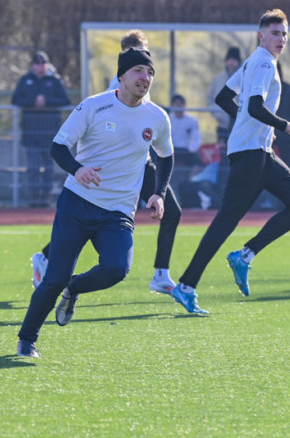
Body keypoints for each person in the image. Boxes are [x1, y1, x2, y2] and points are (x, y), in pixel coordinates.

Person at [16, 48, 173, 359]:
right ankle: (27, 339)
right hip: (77, 203)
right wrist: (78, 169)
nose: (145, 77)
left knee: (116, 269)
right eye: (139, 71)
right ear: (122, 76)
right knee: (53, 278)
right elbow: (58, 147)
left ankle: (74, 289)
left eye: (150, 72)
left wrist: (159, 193)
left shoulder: (157, 117)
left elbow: (165, 156)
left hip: (117, 212)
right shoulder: (94, 106)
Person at [171, 9, 290, 315]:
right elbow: (255, 106)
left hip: (260, 151)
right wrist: (287, 127)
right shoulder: (262, 61)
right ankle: (186, 286)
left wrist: (252, 125)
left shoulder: (254, 61)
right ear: (261, 35)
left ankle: (244, 255)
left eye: (285, 33)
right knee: (224, 223)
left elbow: (224, 98)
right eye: (275, 33)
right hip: (249, 154)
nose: (281, 39)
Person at [31, 30, 183, 296]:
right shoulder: (122, 81)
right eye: (136, 56)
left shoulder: (141, 77)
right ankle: (50, 260)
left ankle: (160, 273)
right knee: (94, 220)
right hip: (122, 163)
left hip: (138, 159)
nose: (144, 71)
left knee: (168, 210)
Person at [12, 50, 71, 207]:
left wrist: (46, 101)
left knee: (48, 166)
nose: (40, 66)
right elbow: (16, 99)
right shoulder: (25, 80)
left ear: (47, 64)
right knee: (32, 166)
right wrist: (33, 101)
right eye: (37, 63)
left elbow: (64, 99)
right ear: (33, 65)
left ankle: (45, 196)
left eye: (42, 63)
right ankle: (34, 196)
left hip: (50, 131)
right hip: (30, 131)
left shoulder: (55, 81)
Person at [208, 46, 242, 189]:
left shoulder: (244, 77)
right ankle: (222, 187)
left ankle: (238, 187)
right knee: (223, 156)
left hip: (239, 123)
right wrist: (218, 114)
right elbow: (210, 99)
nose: (231, 63)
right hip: (223, 123)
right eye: (229, 60)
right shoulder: (218, 79)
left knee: (239, 156)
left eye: (234, 60)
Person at [169, 94, 202, 180]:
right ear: (172, 105)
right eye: (176, 103)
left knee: (198, 164)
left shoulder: (192, 120)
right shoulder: (167, 119)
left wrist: (191, 150)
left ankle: (188, 183)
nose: (178, 106)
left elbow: (196, 139)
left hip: (186, 150)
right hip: (171, 150)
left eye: (180, 103)